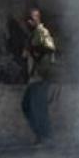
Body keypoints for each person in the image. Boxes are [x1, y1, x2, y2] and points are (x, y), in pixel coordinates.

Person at [22, 8, 59, 143]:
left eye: (32, 19)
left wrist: (33, 50)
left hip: (41, 76)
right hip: (35, 77)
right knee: (27, 105)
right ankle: (41, 135)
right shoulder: (34, 34)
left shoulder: (41, 32)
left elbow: (50, 48)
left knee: (38, 107)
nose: (29, 22)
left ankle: (46, 136)